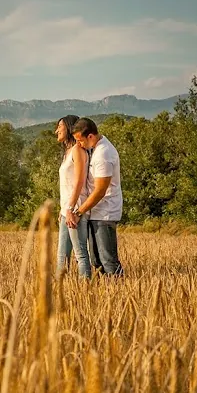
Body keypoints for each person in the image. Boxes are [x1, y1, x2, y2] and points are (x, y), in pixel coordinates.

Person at [71, 117, 125, 277]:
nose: (78, 145)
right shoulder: (97, 148)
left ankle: (118, 290)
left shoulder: (104, 154)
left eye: (80, 140)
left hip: (105, 213)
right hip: (97, 213)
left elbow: (100, 191)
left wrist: (79, 212)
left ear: (90, 136)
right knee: (96, 260)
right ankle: (106, 293)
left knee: (108, 260)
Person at [54, 115, 92, 279]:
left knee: (80, 253)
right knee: (62, 257)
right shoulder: (68, 152)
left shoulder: (77, 150)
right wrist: (63, 209)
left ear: (69, 128)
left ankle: (86, 290)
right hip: (66, 210)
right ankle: (60, 291)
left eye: (60, 126)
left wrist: (70, 209)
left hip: (75, 210)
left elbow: (79, 182)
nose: (57, 130)